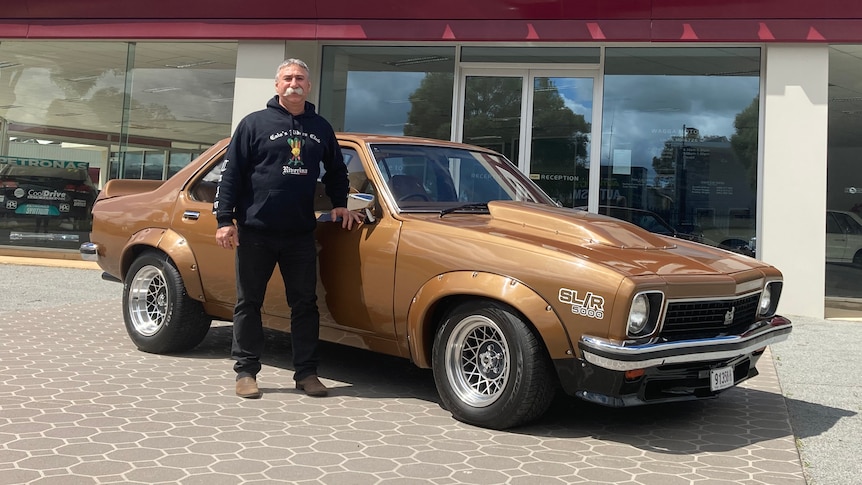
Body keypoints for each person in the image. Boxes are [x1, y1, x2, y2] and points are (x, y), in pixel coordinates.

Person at [213, 58, 363, 399]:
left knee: (305, 304)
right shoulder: (253, 124)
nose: (294, 83)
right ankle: (246, 372)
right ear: (277, 85)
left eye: (300, 78)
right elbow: (232, 174)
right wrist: (225, 220)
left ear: (309, 87)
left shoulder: (321, 127)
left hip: (299, 233)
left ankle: (307, 374)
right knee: (248, 303)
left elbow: (337, 170)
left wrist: (340, 202)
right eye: (287, 77)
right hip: (255, 231)